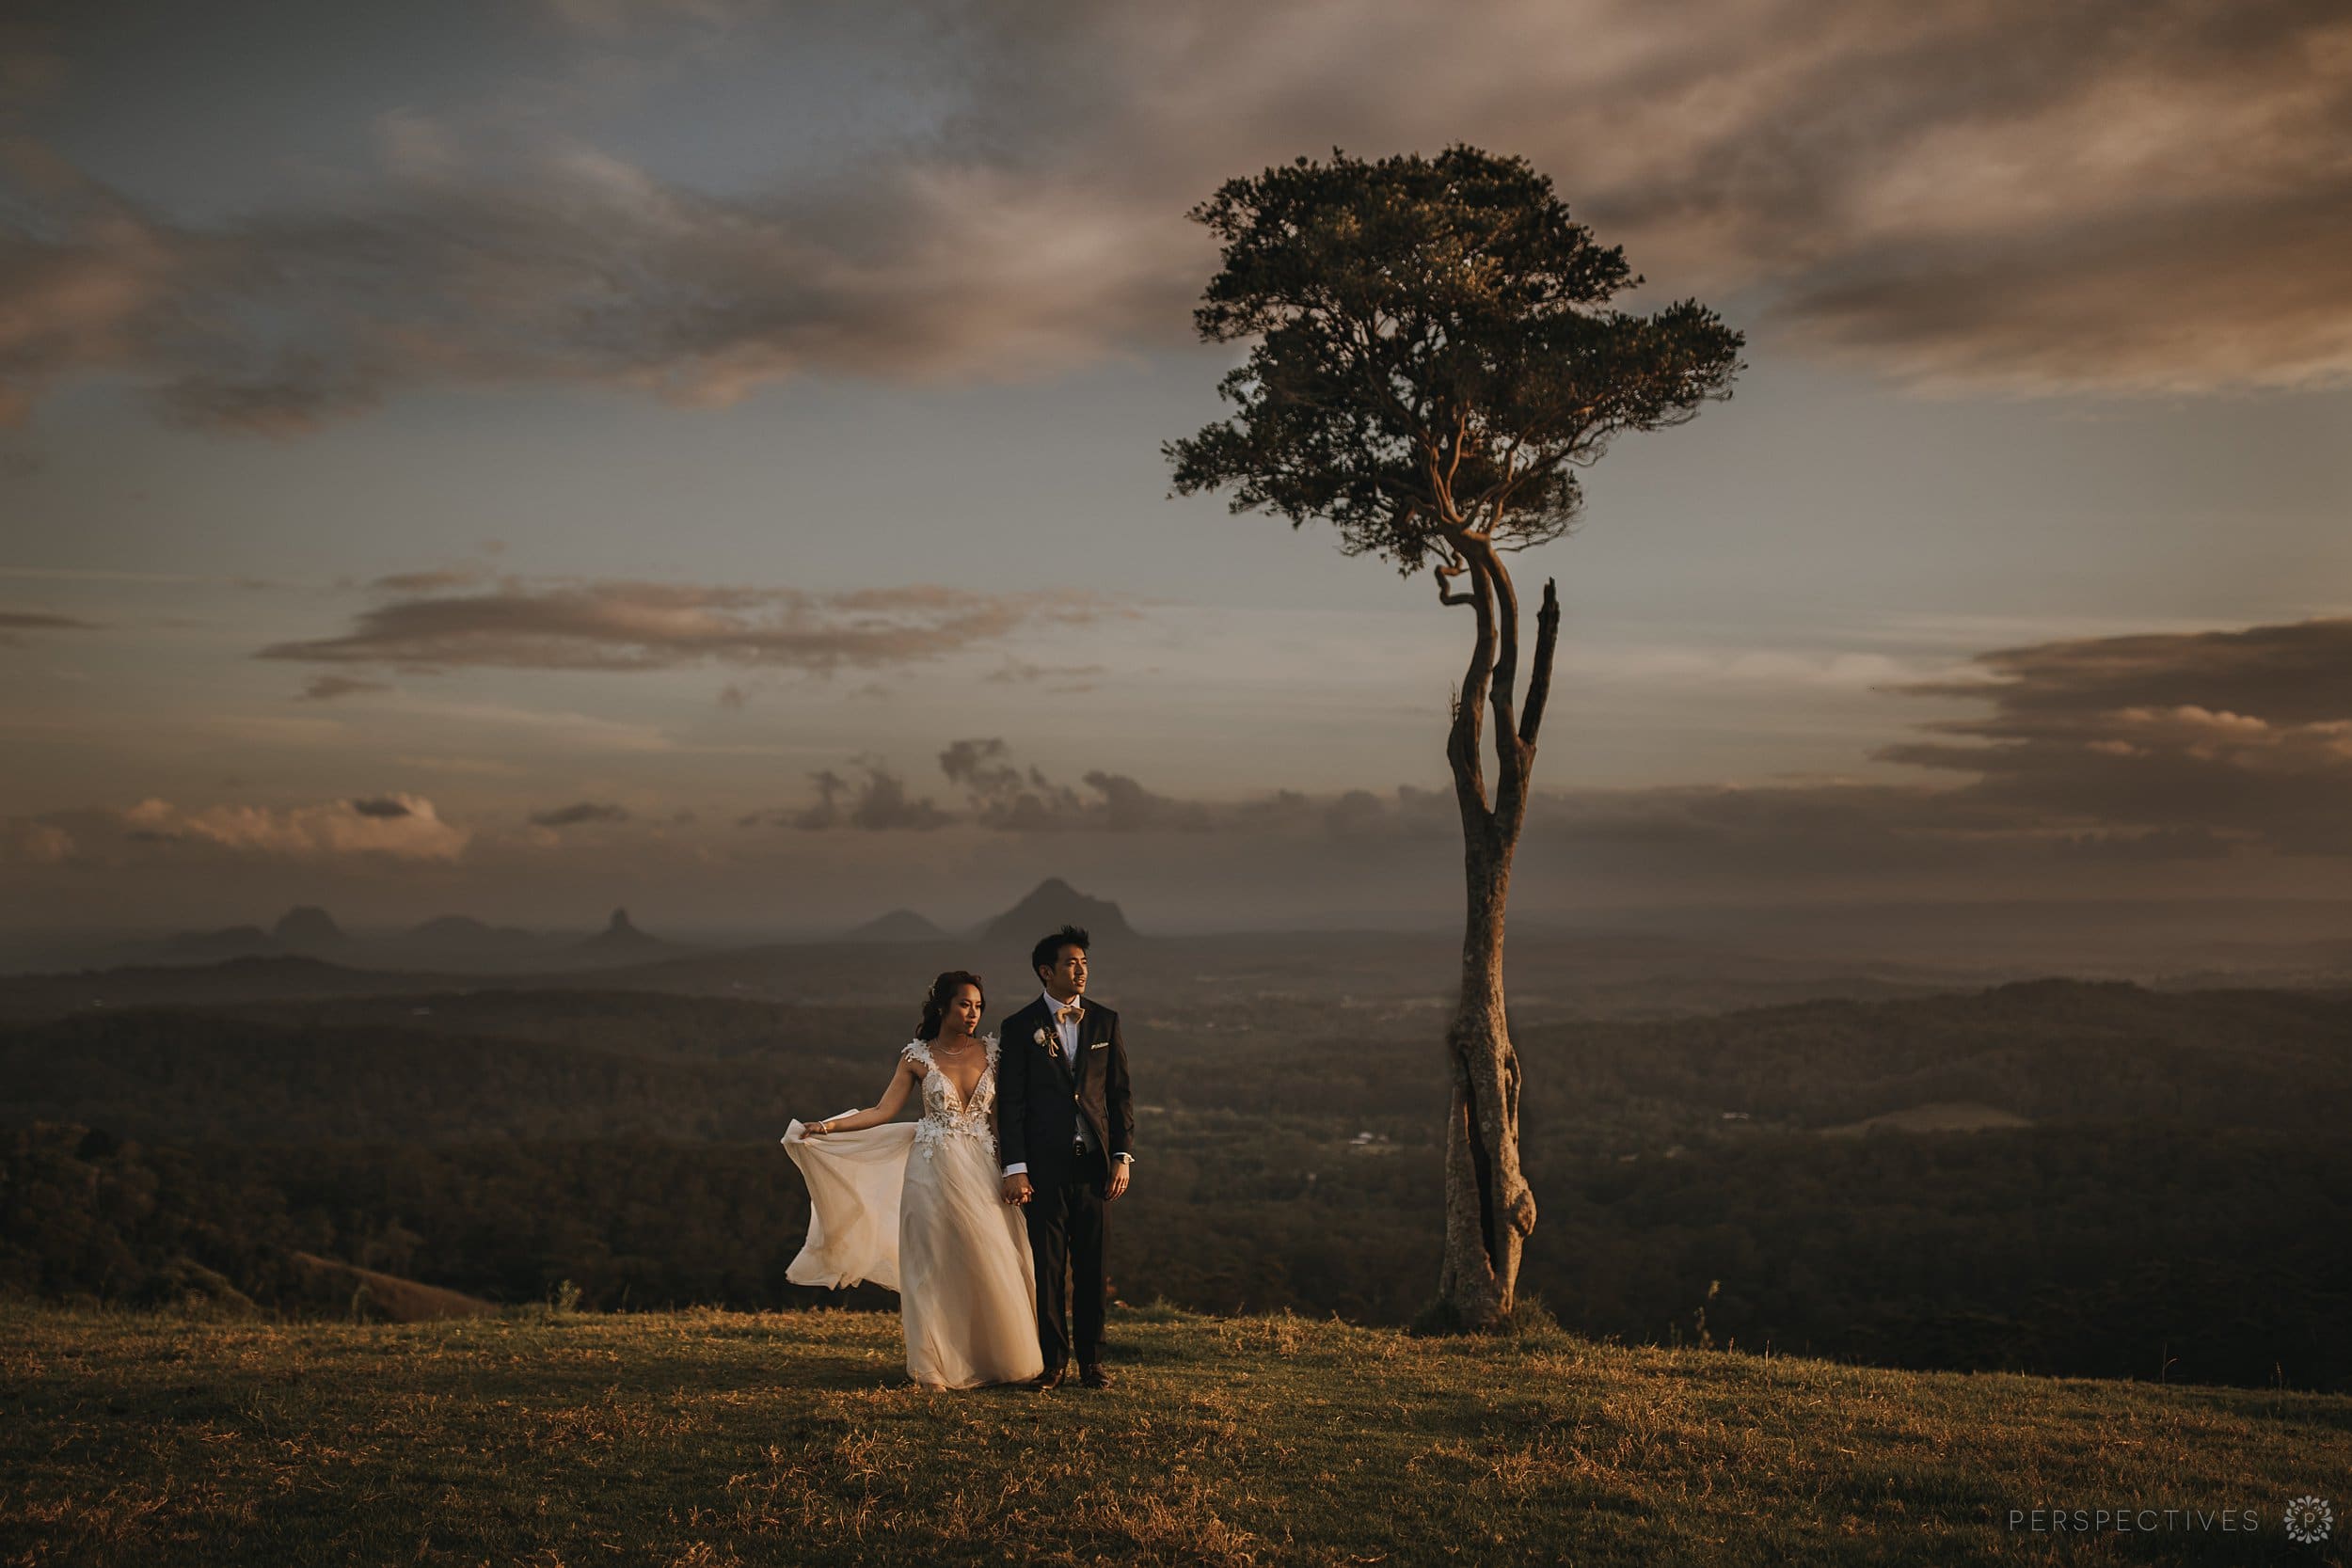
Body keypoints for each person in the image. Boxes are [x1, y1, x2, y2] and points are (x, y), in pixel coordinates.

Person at [783, 971, 1043, 1389]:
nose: (973, 1014)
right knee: (932, 1263)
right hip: (931, 1170)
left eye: (978, 1006)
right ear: (942, 1007)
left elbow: (1002, 1121)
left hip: (981, 1168)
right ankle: (933, 1368)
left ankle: (998, 1360)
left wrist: (1016, 1169)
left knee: (990, 1258)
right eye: (964, 1004)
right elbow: (882, 1111)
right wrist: (828, 1127)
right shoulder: (916, 1056)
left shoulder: (994, 1052)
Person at [994, 924, 1135, 1390]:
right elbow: (1011, 1104)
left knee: (1094, 1267)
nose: (1081, 970)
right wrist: (1016, 1168)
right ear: (1045, 971)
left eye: (1084, 962)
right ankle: (1052, 1363)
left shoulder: (1105, 1021)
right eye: (1071, 963)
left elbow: (1119, 1096)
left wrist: (1121, 1155)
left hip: (1094, 1166)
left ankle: (1092, 1363)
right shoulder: (1019, 1027)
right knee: (1049, 1267)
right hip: (1044, 1168)